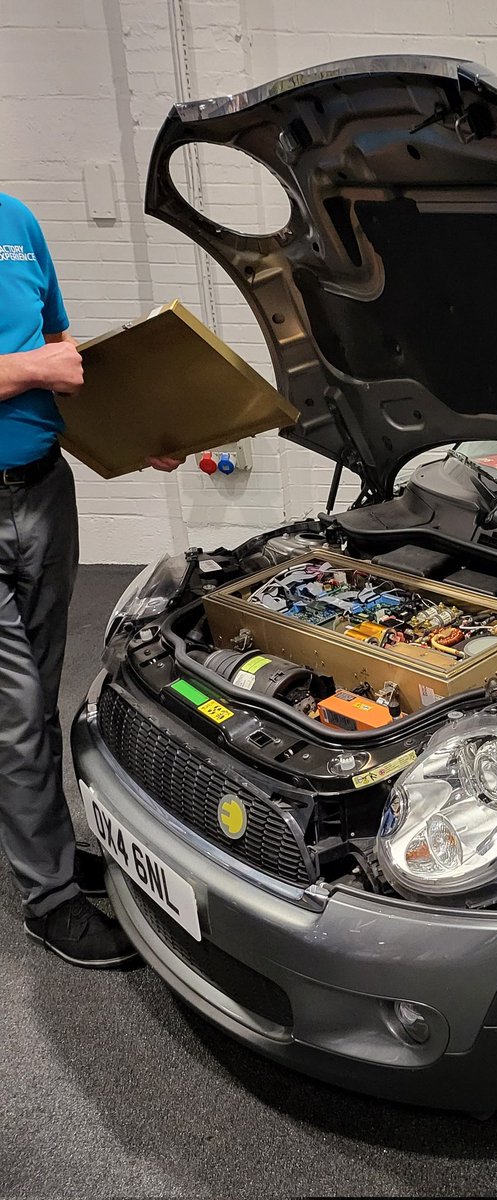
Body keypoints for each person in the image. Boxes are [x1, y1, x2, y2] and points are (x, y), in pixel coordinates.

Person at [0, 192, 181, 967]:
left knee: (39, 693)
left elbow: (63, 354)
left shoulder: (17, 222)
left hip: (42, 492)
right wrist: (27, 369)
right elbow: (41, 364)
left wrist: (133, 431)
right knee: (15, 710)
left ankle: (42, 842)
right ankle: (48, 901)